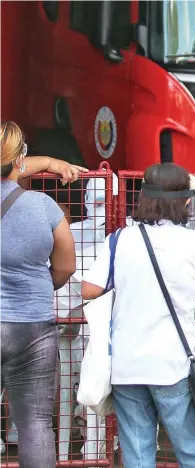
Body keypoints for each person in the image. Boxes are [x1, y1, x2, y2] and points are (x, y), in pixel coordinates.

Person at [81, 163, 195, 468]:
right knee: (193, 452)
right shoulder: (193, 242)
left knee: (137, 454)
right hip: (172, 365)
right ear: (185, 200)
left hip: (126, 366)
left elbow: (89, 290)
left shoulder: (119, 240)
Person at [1, 121, 80, 466]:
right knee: (34, 423)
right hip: (32, 326)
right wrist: (37, 285)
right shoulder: (44, 207)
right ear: (20, 160)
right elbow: (65, 267)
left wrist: (45, 161)